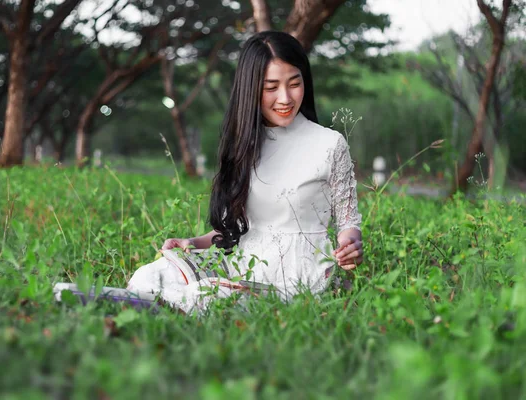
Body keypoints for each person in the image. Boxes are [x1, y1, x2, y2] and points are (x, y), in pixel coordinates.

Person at [126, 31, 363, 313]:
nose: (285, 98)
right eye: (271, 87)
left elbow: (349, 224)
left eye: (294, 84)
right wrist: (192, 243)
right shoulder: (243, 144)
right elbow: (233, 231)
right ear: (251, 88)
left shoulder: (329, 144)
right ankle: (131, 307)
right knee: (150, 275)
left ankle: (156, 310)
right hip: (239, 265)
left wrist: (350, 244)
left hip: (299, 277)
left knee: (207, 295)